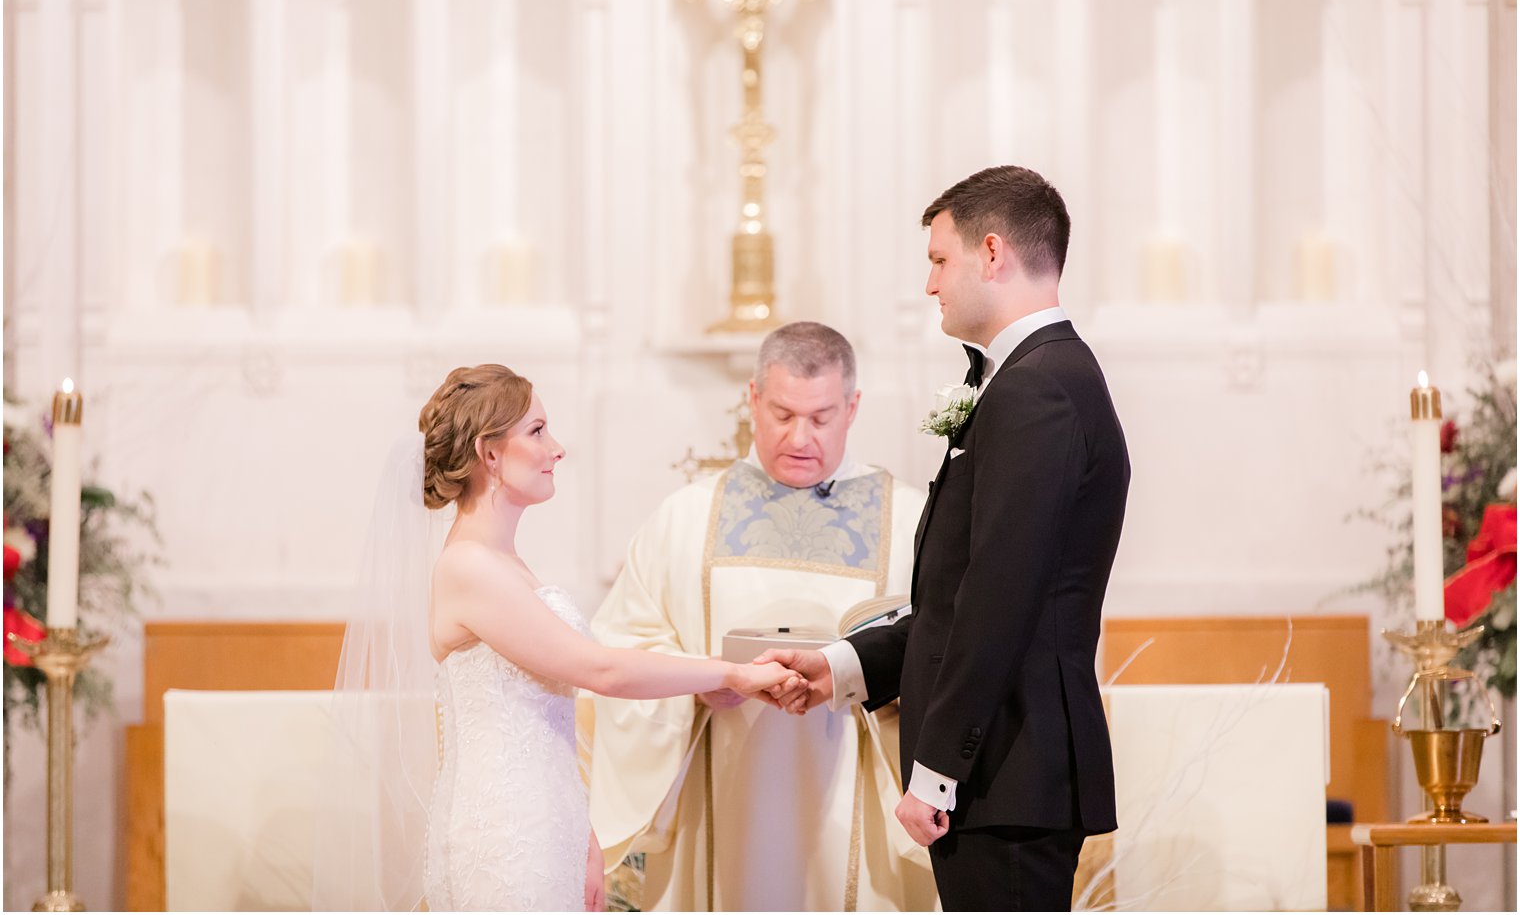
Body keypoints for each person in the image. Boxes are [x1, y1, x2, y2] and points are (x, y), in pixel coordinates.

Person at [762, 167, 1131, 911]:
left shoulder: (1039, 387)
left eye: (938, 259)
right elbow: (958, 595)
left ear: (991, 253)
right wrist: (842, 664)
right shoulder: (1030, 378)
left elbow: (1001, 598)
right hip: (1003, 771)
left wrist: (936, 769)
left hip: (1007, 771)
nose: (930, 284)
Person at [314, 365, 802, 912]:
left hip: (546, 824)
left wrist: (582, 835)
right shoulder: (469, 567)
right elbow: (600, 671)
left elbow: (543, 725)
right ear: (490, 453)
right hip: (503, 837)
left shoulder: (504, 563)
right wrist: (731, 672)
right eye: (538, 431)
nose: (558, 448)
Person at [586, 322, 938, 911]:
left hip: (855, 792)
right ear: (752, 399)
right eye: (781, 414)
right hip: (722, 784)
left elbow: (944, 651)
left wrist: (857, 678)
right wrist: (700, 683)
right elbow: (622, 646)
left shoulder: (911, 521)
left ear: (853, 408)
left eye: (822, 417)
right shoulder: (684, 519)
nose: (800, 437)